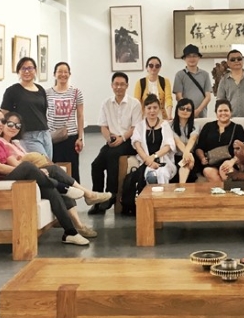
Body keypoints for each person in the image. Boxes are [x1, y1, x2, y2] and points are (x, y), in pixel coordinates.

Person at [0, 107, 91, 246]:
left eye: (3, 121)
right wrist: (30, 170)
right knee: (27, 166)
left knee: (50, 190)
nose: (0, 124)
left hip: (11, 178)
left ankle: (70, 232)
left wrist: (36, 172)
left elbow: (13, 162)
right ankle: (63, 187)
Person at [0, 111, 112, 238]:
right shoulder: (2, 144)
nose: (14, 128)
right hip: (20, 179)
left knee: (58, 187)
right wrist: (38, 169)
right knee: (53, 170)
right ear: (3, 124)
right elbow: (19, 166)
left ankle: (77, 226)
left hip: (30, 175)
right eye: (10, 124)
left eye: (17, 125)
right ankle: (87, 195)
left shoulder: (16, 143)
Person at [89, 72, 142, 214]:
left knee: (113, 154)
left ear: (127, 86)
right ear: (112, 86)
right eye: (116, 84)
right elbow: (103, 126)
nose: (119, 87)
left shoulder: (134, 104)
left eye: (122, 84)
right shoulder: (106, 103)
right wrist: (109, 138)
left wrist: (122, 138)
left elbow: (135, 127)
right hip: (112, 141)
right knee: (96, 164)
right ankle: (97, 199)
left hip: (129, 140)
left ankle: (111, 194)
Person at [1, 57, 52, 158]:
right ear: (18, 71)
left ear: (35, 70)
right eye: (23, 68)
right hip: (27, 135)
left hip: (45, 133)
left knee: (49, 163)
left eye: (30, 68)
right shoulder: (12, 91)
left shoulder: (40, 89)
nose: (27, 71)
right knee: (43, 162)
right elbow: (4, 114)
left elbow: (43, 111)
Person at [46, 62, 85, 182]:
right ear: (54, 74)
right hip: (53, 137)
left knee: (73, 169)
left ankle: (75, 191)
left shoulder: (76, 92)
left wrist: (80, 137)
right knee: (55, 168)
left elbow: (80, 116)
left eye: (65, 72)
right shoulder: (47, 93)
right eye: (59, 71)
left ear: (69, 74)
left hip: (71, 136)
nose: (63, 74)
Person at [195, 100, 244, 183]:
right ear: (216, 113)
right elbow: (199, 147)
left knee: (224, 169)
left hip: (230, 161)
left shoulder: (237, 128)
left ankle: (224, 190)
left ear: (231, 112)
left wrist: (232, 161)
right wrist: (202, 158)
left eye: (226, 110)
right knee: (208, 171)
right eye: (220, 111)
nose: (223, 113)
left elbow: (243, 149)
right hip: (211, 162)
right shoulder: (208, 126)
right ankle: (225, 190)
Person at [131, 94, 177, 184]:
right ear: (144, 109)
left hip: (163, 161)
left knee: (162, 173)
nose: (152, 111)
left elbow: (168, 146)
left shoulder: (165, 125)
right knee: (151, 176)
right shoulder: (139, 126)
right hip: (146, 161)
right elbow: (138, 146)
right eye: (149, 108)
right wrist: (149, 161)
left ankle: (163, 193)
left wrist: (154, 157)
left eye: (155, 108)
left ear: (159, 108)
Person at [216, 49, 244, 117]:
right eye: (233, 59)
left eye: (239, 59)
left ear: (243, 61)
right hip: (230, 118)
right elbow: (220, 101)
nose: (236, 61)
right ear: (228, 63)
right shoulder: (224, 80)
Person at [173, 44, 213, 118]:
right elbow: (178, 96)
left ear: (199, 58)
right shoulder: (179, 75)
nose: (192, 59)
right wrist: (188, 110)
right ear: (184, 58)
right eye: (189, 56)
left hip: (201, 114)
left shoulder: (205, 74)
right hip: (185, 113)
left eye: (194, 56)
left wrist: (198, 110)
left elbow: (208, 97)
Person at [170, 98, 199, 183]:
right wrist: (187, 154)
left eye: (188, 109)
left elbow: (192, 139)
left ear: (192, 112)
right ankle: (182, 187)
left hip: (192, 156)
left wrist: (187, 154)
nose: (185, 111)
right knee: (185, 162)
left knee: (186, 162)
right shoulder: (170, 125)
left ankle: (181, 187)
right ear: (177, 109)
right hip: (176, 156)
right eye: (182, 108)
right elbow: (177, 142)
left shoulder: (195, 124)